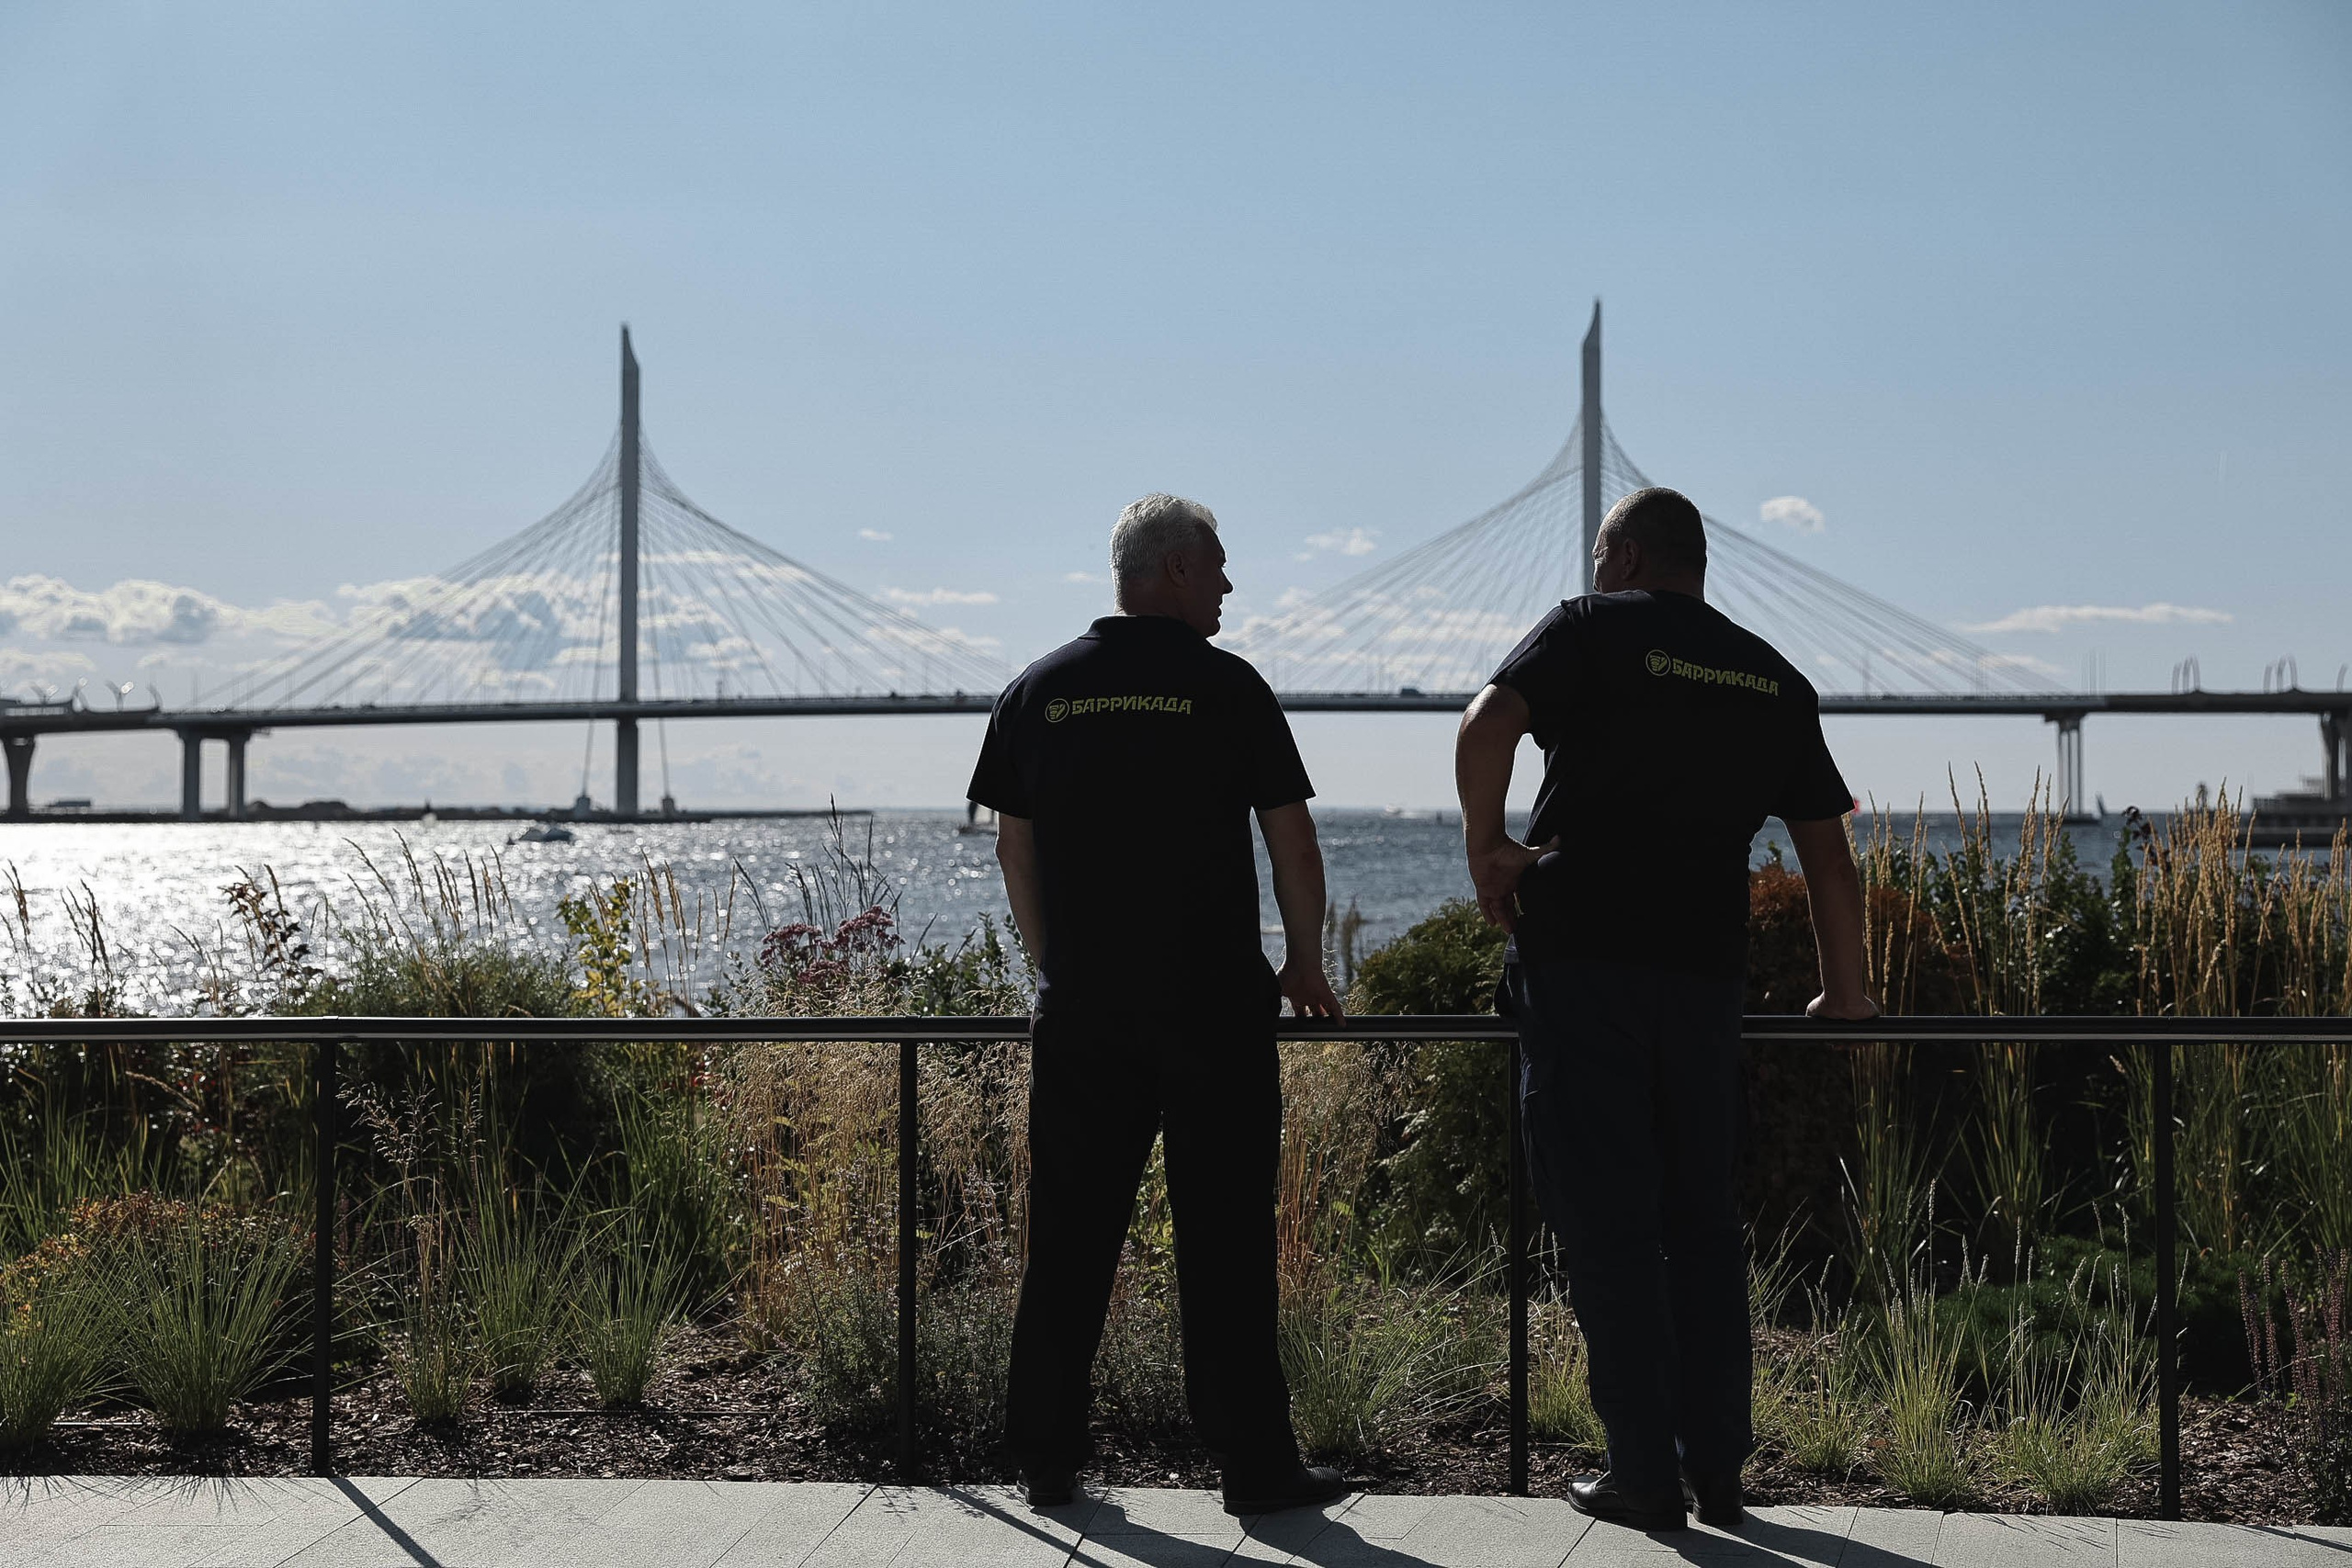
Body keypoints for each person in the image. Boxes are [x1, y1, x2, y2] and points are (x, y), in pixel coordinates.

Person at [1453, 487, 1878, 1532]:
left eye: (1605, 559)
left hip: (1583, 969)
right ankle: (1718, 1470)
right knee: (1700, 1224)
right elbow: (1828, 853)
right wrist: (1848, 990)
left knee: (1608, 1225)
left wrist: (1488, 852)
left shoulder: (1589, 626)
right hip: (1705, 980)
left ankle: (1642, 1473)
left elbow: (1484, 726)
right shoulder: (1771, 674)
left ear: (1629, 557)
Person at [968, 491, 1351, 1517]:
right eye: (1218, 567)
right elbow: (1292, 841)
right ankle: (1254, 1470)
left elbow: (1014, 845)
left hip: (1084, 1012)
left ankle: (1048, 1460)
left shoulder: (1037, 691)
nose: (1228, 586)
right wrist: (1304, 964)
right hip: (1215, 1013)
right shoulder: (1228, 688)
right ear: (1174, 567)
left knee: (1071, 1240)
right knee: (1224, 1240)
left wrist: (1056, 967)